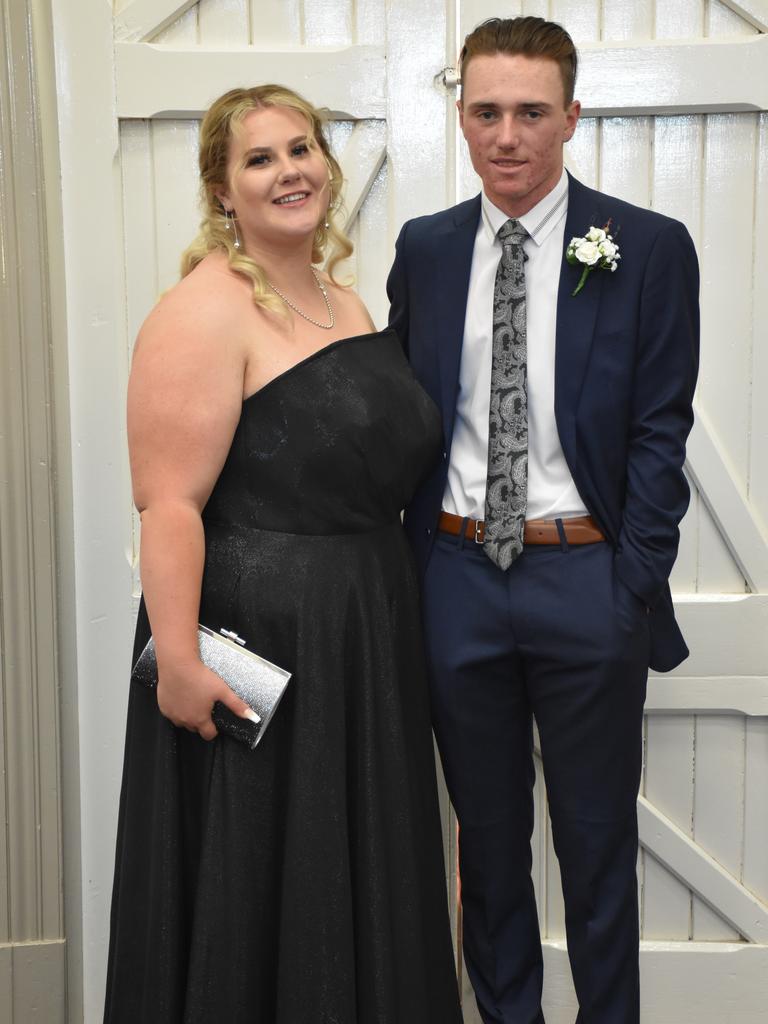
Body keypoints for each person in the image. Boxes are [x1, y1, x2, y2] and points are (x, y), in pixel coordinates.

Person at [103, 84, 463, 1024]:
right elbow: (169, 503)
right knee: (263, 875)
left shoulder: (342, 299)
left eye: (301, 149)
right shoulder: (203, 311)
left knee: (356, 866)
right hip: (262, 638)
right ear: (223, 190)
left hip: (364, 629)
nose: (288, 171)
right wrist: (177, 662)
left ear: (328, 166)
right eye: (259, 159)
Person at [387, 16, 699, 1024]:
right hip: (456, 578)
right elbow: (400, 420)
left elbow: (660, 434)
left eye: (531, 112)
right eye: (486, 112)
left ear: (571, 115)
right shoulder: (425, 251)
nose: (507, 135)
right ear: (462, 117)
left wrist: (630, 587)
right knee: (486, 846)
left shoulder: (646, 248)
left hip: (584, 579)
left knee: (596, 843)